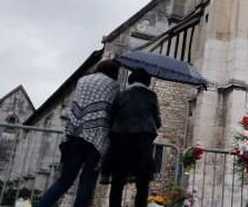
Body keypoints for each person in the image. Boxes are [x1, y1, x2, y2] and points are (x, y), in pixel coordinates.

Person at [38, 59, 120, 207]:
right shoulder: (114, 86)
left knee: (64, 180)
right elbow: (113, 111)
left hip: (74, 134)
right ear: (114, 72)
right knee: (87, 181)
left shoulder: (83, 81)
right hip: (96, 139)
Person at [108, 68, 161, 207]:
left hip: (121, 139)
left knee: (117, 181)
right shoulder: (151, 96)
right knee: (142, 182)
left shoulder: (120, 95)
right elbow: (157, 122)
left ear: (131, 79)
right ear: (147, 81)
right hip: (142, 141)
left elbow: (111, 117)